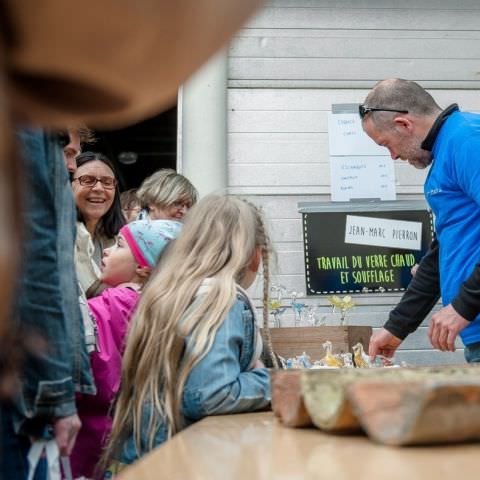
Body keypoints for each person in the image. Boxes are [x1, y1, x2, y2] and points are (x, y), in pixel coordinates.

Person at [102, 195, 272, 474]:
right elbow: (210, 395)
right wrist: (270, 381)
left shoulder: (167, 290)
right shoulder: (218, 297)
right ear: (255, 254)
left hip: (137, 461)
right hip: (177, 464)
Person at [360, 78, 480, 363]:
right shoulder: (446, 152)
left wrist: (463, 306)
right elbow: (442, 253)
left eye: (387, 144)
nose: (393, 156)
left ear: (403, 124)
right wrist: (397, 327)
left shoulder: (467, 141)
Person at [0, 129, 95, 479]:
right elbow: (36, 258)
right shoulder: (29, 124)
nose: (68, 165)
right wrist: (57, 395)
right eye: (65, 153)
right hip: (18, 391)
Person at [71, 219, 182, 479]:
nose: (108, 250)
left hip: (92, 435)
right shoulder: (161, 308)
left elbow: (91, 370)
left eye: (120, 245)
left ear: (144, 267)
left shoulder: (112, 306)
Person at [72, 151, 125, 297]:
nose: (99, 188)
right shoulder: (59, 238)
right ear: (68, 185)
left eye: (107, 182)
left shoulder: (120, 239)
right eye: (87, 180)